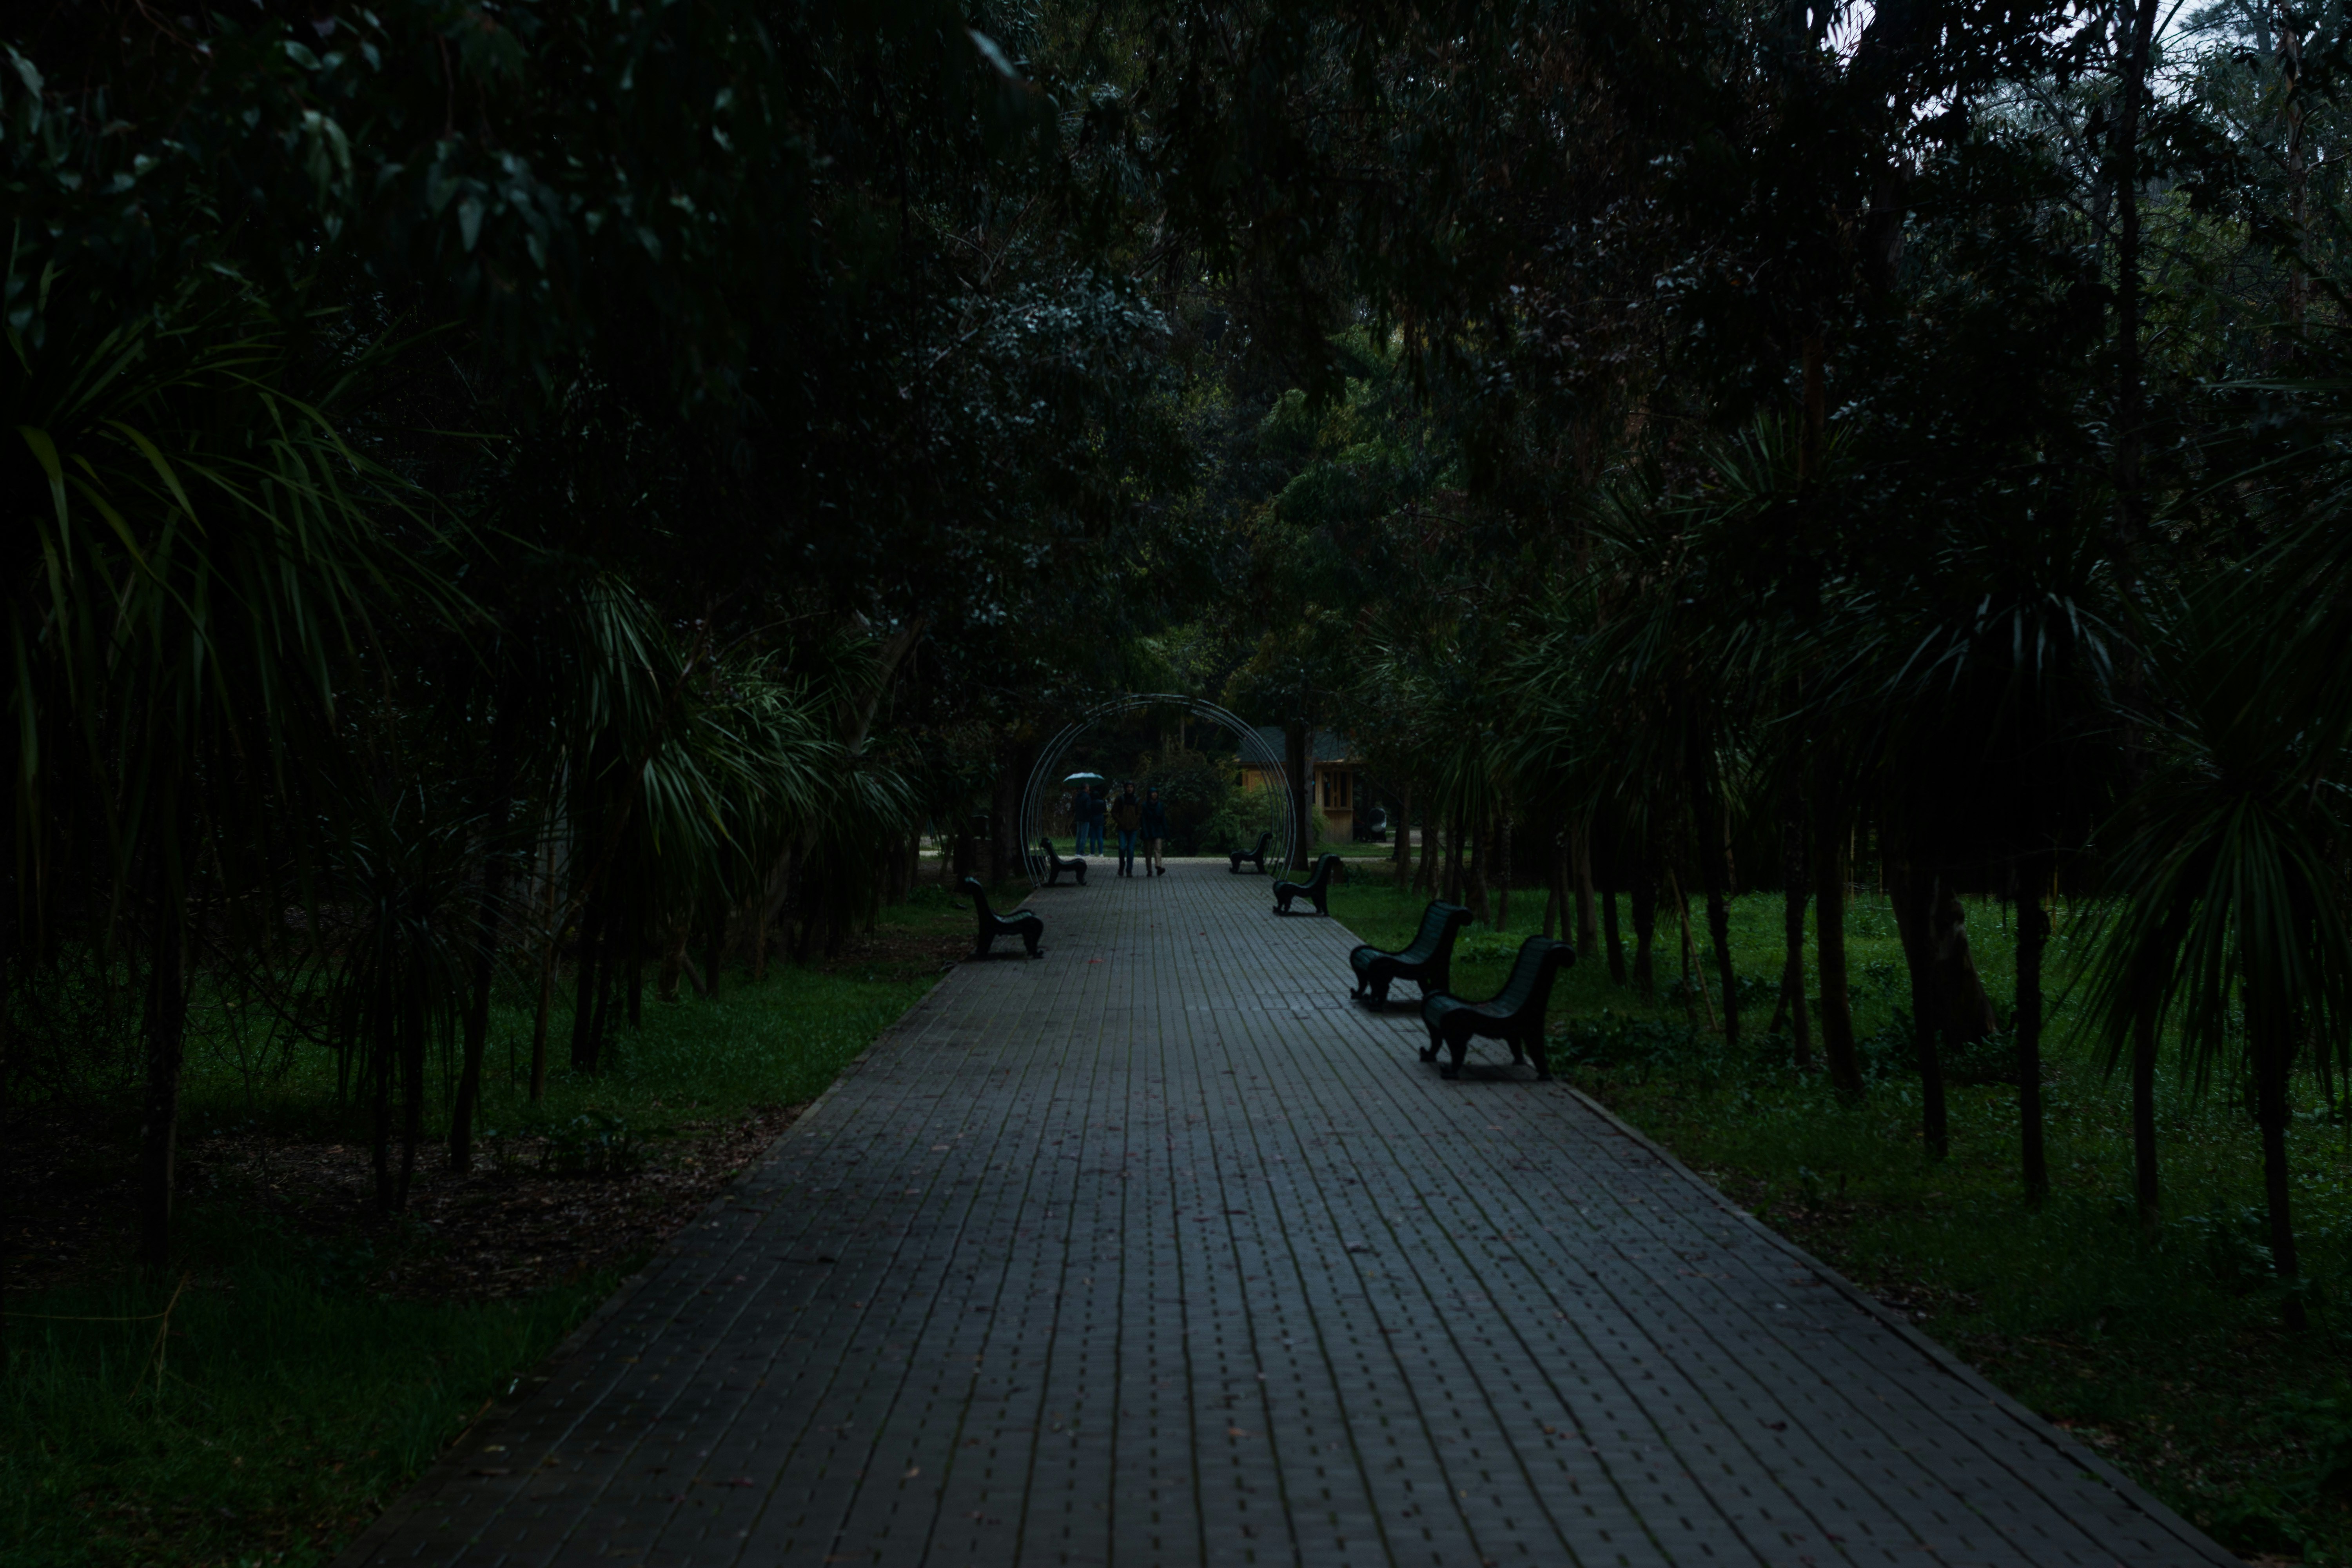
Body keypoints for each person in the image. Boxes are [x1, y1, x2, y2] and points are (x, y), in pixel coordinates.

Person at [1139, 786, 1171, 877]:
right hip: (1148, 831)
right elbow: (1143, 820)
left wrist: (1166, 833)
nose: (1155, 794)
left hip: (1158, 830)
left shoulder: (1160, 805)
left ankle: (1158, 867)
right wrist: (1144, 831)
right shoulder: (1145, 806)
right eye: (1153, 793)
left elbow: (1163, 820)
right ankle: (1149, 870)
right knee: (1148, 852)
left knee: (1158, 849)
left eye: (1156, 793)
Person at [1111, 784, 1142, 877]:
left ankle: (1129, 870)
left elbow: (1140, 814)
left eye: (1132, 787)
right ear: (1125, 788)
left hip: (1133, 829)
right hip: (1122, 828)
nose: (1130, 789)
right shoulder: (1120, 799)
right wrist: (1120, 821)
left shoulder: (1137, 800)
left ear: (1134, 788)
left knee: (1131, 850)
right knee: (1122, 848)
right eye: (1128, 787)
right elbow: (1114, 812)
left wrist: (1136, 822)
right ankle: (1122, 865)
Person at [1082, 784, 1107, 854]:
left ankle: (1092, 853)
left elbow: (1089, 811)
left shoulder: (1091, 803)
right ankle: (1101, 853)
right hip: (1100, 819)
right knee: (1100, 837)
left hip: (1093, 819)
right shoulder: (1102, 802)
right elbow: (1105, 810)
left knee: (1092, 838)